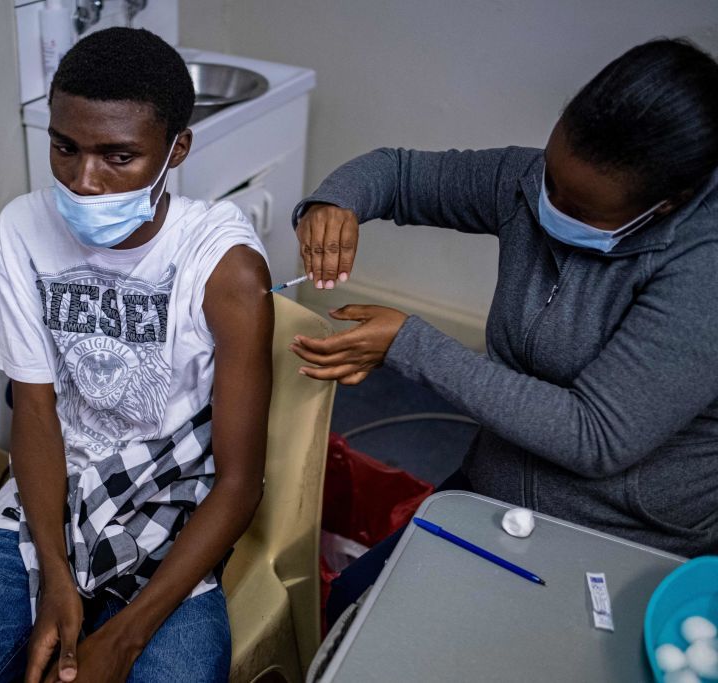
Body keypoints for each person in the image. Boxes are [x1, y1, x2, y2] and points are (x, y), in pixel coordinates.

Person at [289, 38, 718, 625]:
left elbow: (594, 436)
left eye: (581, 206)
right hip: (493, 489)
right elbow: (398, 172)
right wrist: (333, 203)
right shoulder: (529, 185)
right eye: (552, 178)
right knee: (350, 606)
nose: (550, 205)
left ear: (668, 205)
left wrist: (410, 345)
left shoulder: (704, 272)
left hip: (622, 535)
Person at [0, 28, 273, 683]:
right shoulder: (22, 229)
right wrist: (53, 573)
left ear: (176, 149)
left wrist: (122, 640)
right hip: (42, 507)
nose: (84, 182)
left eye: (118, 156)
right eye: (64, 148)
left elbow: (239, 484)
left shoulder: (223, 267)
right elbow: (35, 412)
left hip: (169, 522)